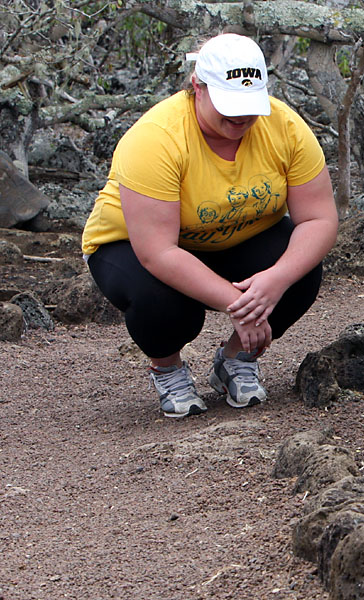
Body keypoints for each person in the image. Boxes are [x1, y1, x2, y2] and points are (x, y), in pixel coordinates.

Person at [81, 33, 338, 418]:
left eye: (250, 105)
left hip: (236, 237)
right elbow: (158, 251)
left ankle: (235, 359)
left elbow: (319, 219)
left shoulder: (285, 127)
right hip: (134, 247)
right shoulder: (157, 139)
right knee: (163, 304)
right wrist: (240, 305)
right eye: (228, 104)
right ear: (197, 87)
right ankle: (167, 368)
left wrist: (275, 280)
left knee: (300, 267)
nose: (241, 117)